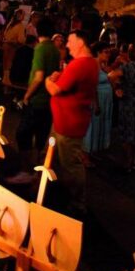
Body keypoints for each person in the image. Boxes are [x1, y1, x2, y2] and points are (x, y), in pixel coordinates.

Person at [45, 29, 99, 216]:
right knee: (55, 157)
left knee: (71, 164)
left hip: (68, 125)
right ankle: (55, 191)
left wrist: (48, 81)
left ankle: (77, 204)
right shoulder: (90, 63)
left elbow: (55, 89)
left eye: (70, 41)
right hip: (65, 122)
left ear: (80, 43)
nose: (67, 45)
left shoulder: (80, 65)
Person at [18, 18, 60, 167]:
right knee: (41, 134)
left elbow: (39, 77)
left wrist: (27, 95)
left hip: (37, 99)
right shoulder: (55, 49)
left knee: (24, 133)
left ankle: (26, 166)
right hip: (49, 99)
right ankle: (35, 165)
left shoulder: (41, 48)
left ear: (37, 30)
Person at [81, 41, 114, 166]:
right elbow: (91, 85)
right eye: (106, 52)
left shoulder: (104, 65)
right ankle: (85, 155)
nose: (108, 54)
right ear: (98, 53)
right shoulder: (93, 64)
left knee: (100, 125)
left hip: (106, 99)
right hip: (97, 99)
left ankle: (93, 151)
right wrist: (96, 103)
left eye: (109, 52)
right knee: (92, 126)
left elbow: (112, 78)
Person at [1, 8, 26, 87]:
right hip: (12, 46)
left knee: (6, 62)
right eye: (23, 15)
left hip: (6, 45)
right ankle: (6, 80)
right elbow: (21, 39)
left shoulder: (10, 24)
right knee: (9, 63)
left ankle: (5, 79)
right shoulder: (20, 26)